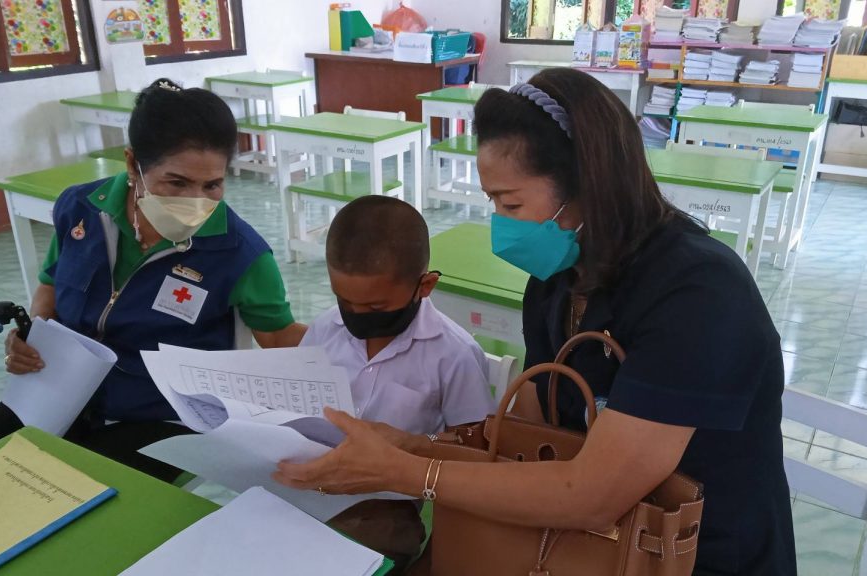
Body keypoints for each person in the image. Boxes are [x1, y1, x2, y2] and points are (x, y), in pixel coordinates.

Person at [275, 68, 797, 575]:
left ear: (588, 184)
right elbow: (527, 438)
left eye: (510, 203)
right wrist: (413, 445)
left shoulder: (699, 294)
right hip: (587, 544)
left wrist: (410, 472)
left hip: (689, 555)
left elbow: (592, 494)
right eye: (493, 202)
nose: (500, 224)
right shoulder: (558, 282)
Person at [0, 78, 305, 482]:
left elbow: (278, 336)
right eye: (176, 183)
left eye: (212, 185)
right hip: (59, 392)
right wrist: (34, 335)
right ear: (132, 165)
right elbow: (51, 285)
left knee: (59, 497)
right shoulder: (81, 210)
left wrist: (346, 341)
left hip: (162, 418)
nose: (195, 201)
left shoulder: (240, 253)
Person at [303, 195, 495, 568]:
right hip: (309, 486)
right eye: (345, 301)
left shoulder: (453, 355)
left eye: (375, 308)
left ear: (425, 286)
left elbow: (475, 452)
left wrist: (416, 445)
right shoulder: (326, 328)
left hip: (384, 509)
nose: (356, 316)